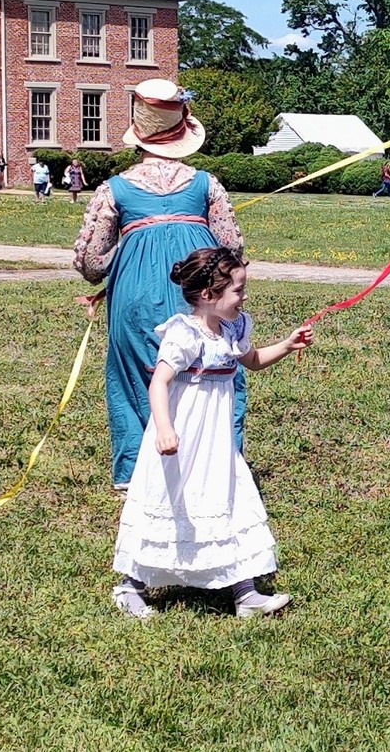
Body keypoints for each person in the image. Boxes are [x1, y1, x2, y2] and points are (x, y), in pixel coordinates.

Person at [111, 247, 313, 620]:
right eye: (237, 289)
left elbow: (251, 361)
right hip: (183, 436)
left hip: (216, 442)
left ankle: (245, 592)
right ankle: (131, 585)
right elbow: (159, 384)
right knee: (170, 498)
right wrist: (165, 429)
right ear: (208, 295)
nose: (244, 296)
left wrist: (287, 345)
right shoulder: (185, 334)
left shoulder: (233, 328)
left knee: (230, 496)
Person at [74, 78, 246, 488]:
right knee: (211, 367)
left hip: (136, 293)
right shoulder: (207, 185)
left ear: (139, 138)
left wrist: (134, 243)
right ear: (183, 132)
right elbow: (233, 247)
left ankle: (138, 474)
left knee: (139, 372)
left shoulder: (113, 190)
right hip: (203, 288)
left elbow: (91, 262)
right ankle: (213, 464)